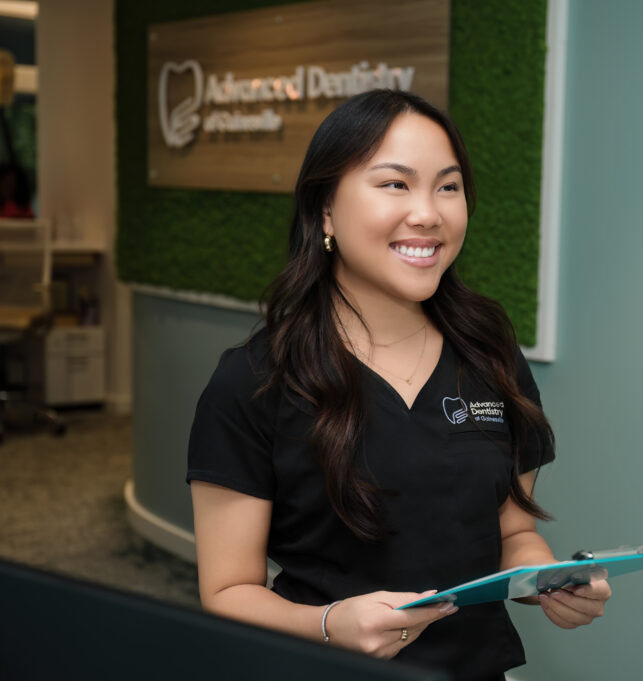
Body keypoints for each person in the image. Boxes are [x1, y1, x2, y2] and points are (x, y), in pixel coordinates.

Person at [186, 89, 611, 681]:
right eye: (394, 184)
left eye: (448, 186)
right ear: (325, 210)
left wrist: (546, 582)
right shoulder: (254, 380)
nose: (429, 213)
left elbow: (513, 531)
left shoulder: (489, 354)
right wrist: (330, 625)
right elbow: (228, 591)